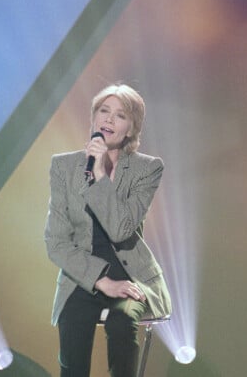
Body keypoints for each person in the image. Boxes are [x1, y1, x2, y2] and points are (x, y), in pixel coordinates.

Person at [44, 83, 172, 377]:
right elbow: (56, 242)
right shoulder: (64, 167)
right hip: (82, 277)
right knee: (73, 337)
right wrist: (101, 281)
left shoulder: (147, 169)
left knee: (121, 321)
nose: (109, 120)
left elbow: (119, 229)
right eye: (104, 111)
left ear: (131, 128)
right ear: (94, 118)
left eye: (120, 115)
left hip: (130, 277)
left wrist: (100, 174)